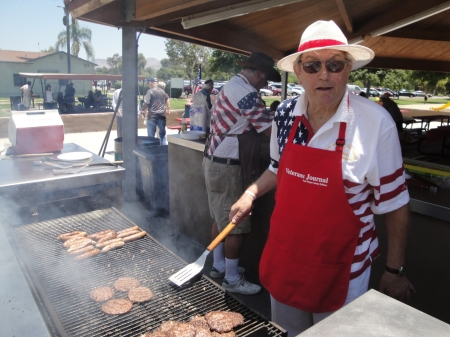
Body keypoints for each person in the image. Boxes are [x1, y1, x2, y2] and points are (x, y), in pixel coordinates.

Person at [229, 20, 415, 335]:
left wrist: (394, 271)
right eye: (313, 65)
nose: (324, 74)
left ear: (348, 68)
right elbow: (277, 167)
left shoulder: (374, 122)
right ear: (299, 72)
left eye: (334, 64)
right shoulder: (286, 114)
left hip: (342, 272)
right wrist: (250, 193)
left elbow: (395, 204)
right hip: (285, 260)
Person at [203, 52, 281, 295]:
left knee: (220, 216)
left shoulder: (231, 86)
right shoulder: (246, 94)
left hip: (213, 160)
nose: (265, 85)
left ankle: (218, 266)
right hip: (229, 166)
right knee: (236, 222)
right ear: (257, 73)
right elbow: (270, 132)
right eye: (266, 80)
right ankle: (232, 279)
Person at [141, 78, 170, 145]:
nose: (148, 85)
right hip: (162, 116)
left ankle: (152, 151)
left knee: (151, 137)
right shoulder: (163, 91)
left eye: (148, 83)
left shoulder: (150, 91)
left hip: (152, 117)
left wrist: (142, 110)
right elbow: (167, 102)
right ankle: (163, 150)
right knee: (162, 135)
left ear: (151, 83)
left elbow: (146, 103)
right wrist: (168, 110)